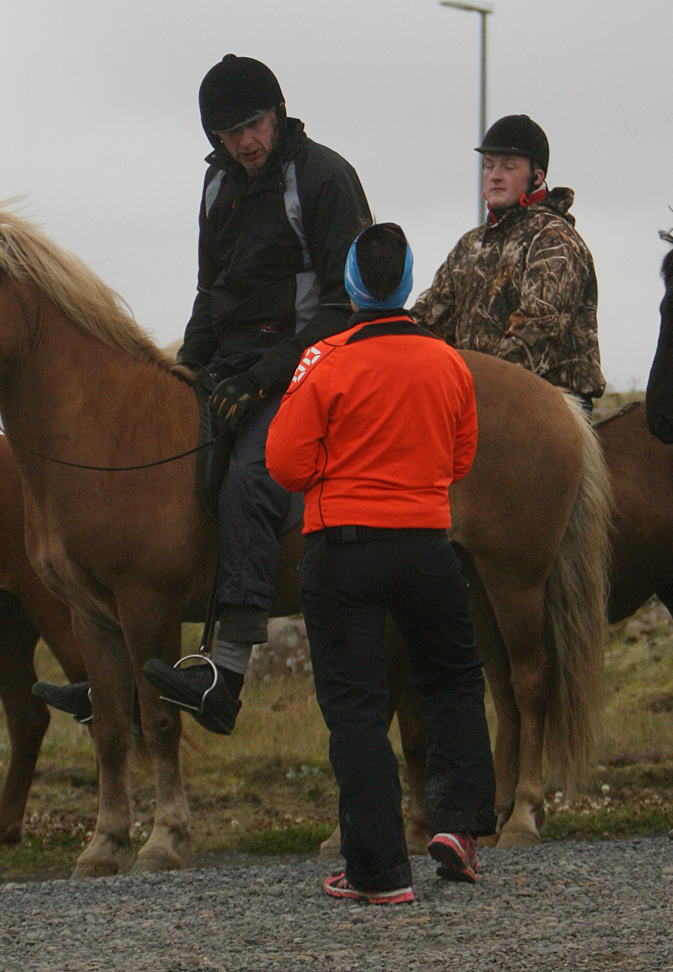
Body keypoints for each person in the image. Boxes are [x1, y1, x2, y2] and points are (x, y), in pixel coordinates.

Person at [36, 55, 371, 733]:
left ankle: (226, 667)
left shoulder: (325, 177)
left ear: (277, 114)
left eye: (252, 124)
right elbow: (209, 291)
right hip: (231, 363)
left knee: (252, 474)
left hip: (314, 359)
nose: (244, 141)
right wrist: (184, 370)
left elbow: (343, 303)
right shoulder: (218, 183)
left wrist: (263, 376)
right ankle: (114, 685)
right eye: (228, 132)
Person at [265, 222, 496, 903]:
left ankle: (379, 872)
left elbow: (284, 463)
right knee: (454, 681)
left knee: (358, 711)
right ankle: (459, 827)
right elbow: (461, 460)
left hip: (345, 553)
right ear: (406, 283)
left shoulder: (325, 360)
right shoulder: (448, 362)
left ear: (354, 285)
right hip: (427, 547)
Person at [411, 114, 605, 412]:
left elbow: (537, 332)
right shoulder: (470, 244)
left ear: (537, 177)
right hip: (477, 402)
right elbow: (427, 320)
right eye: (488, 165)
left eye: (508, 166)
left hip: (548, 408)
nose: (494, 175)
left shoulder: (554, 240)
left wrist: (470, 385)